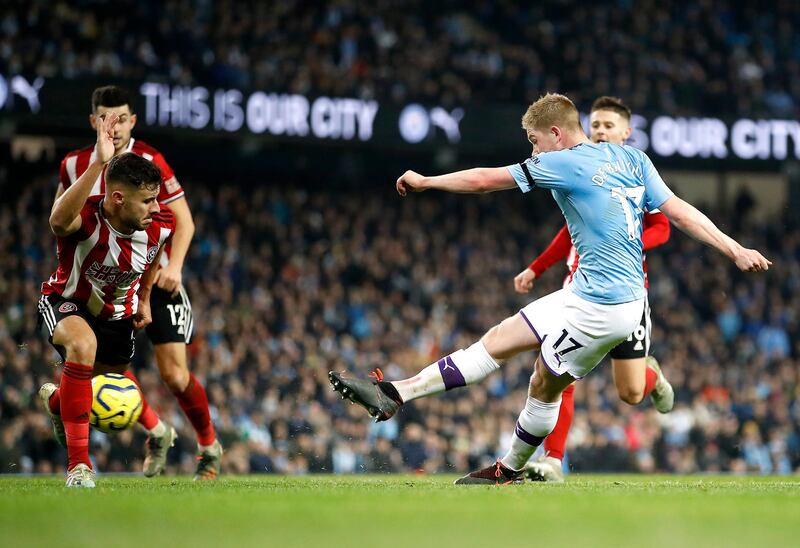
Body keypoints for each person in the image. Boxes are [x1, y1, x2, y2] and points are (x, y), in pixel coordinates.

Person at [328, 92, 770, 484]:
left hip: (607, 309)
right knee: (498, 340)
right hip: (585, 292)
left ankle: (511, 468)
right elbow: (682, 213)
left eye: (535, 141)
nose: (533, 151)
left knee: (545, 383)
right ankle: (394, 394)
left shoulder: (561, 162)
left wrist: (427, 180)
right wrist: (733, 249)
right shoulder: (634, 159)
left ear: (556, 134)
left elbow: (485, 180)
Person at [51, 86, 222, 480]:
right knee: (93, 363)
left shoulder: (151, 161)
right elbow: (60, 220)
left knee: (174, 375)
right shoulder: (75, 165)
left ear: (134, 121)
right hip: (98, 282)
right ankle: (153, 432)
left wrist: (174, 266)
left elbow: (184, 220)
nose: (117, 126)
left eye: (123, 118)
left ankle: (209, 447)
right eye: (108, 119)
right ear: (94, 122)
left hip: (152, 277)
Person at [514, 96, 672, 482]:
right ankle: (553, 460)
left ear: (626, 133)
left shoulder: (634, 173)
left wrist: (627, 241)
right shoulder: (579, 169)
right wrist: (537, 267)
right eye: (595, 125)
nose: (601, 132)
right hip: (580, 293)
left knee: (631, 393)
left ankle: (653, 377)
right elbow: (568, 233)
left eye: (608, 126)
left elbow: (663, 226)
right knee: (558, 371)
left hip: (628, 299)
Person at [37, 113, 174, 487]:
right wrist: (99, 161)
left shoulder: (160, 224)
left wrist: (144, 298)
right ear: (117, 197)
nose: (154, 208)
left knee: (97, 385)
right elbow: (57, 222)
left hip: (119, 315)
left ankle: (56, 404)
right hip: (67, 302)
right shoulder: (88, 216)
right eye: (146, 201)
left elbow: (150, 262)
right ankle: (79, 467)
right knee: (83, 345)